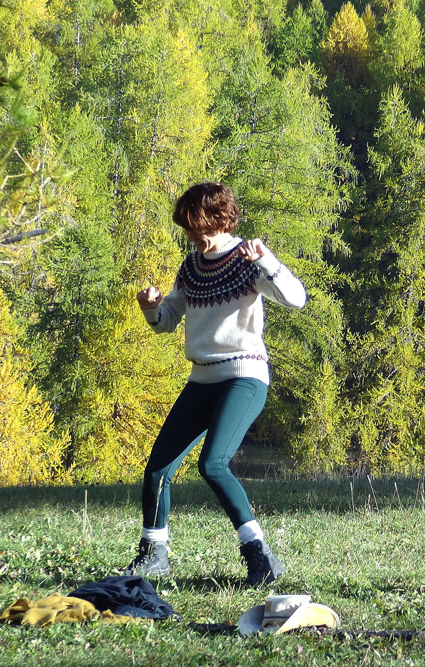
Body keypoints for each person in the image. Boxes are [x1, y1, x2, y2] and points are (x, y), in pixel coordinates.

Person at [122, 182, 306, 586]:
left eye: (196, 227)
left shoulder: (247, 260)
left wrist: (267, 260)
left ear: (220, 220)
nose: (192, 237)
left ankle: (260, 556)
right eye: (188, 230)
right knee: (157, 470)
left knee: (212, 463)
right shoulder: (190, 267)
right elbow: (166, 322)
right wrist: (151, 307)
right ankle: (153, 555)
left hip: (244, 375)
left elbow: (296, 299)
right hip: (202, 379)